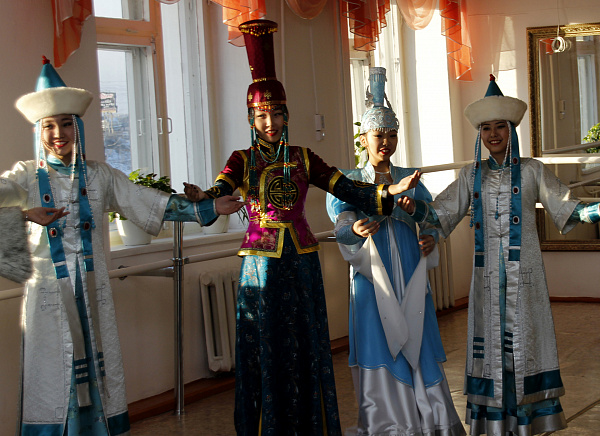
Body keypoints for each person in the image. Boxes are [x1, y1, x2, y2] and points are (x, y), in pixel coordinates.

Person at [185, 20, 421, 436]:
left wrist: (388, 192)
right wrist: (205, 197)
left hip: (302, 262)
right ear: (251, 117)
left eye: (277, 114)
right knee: (267, 345)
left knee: (305, 345)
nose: (270, 123)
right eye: (262, 115)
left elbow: (348, 188)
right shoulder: (242, 160)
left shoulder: (303, 157)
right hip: (260, 265)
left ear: (287, 115)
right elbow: (220, 189)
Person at [1, 57, 244, 436]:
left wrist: (209, 207)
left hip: (93, 295)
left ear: (78, 126)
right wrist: (25, 215)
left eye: (66, 123)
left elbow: (149, 203)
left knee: (99, 373)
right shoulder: (25, 177)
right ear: (38, 130)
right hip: (48, 301)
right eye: (49, 125)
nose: (58, 133)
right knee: (52, 376)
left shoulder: (99, 176)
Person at [399, 75, 600, 435]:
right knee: (491, 349)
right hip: (487, 280)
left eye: (500, 127)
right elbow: (441, 213)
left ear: (512, 130)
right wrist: (414, 209)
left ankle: (527, 422)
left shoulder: (532, 170)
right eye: (486, 128)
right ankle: (495, 424)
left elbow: (568, 208)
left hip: (526, 277)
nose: (493, 134)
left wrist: (595, 209)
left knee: (524, 344)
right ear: (480, 134)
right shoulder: (470, 175)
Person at [326, 67, 466, 436]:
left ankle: (431, 418)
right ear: (364, 139)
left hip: (410, 268)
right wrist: (354, 229)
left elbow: (432, 217)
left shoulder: (411, 177)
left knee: (418, 333)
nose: (385, 142)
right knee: (376, 335)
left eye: (392, 135)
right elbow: (340, 221)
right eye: (378, 135)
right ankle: (386, 421)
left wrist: (430, 236)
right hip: (373, 275)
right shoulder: (349, 181)